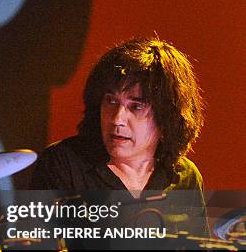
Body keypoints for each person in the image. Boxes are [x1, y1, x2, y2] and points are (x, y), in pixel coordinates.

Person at [30, 36, 208, 237]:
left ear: (167, 115)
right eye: (111, 101)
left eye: (136, 106)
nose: (117, 119)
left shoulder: (186, 177)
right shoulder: (63, 163)